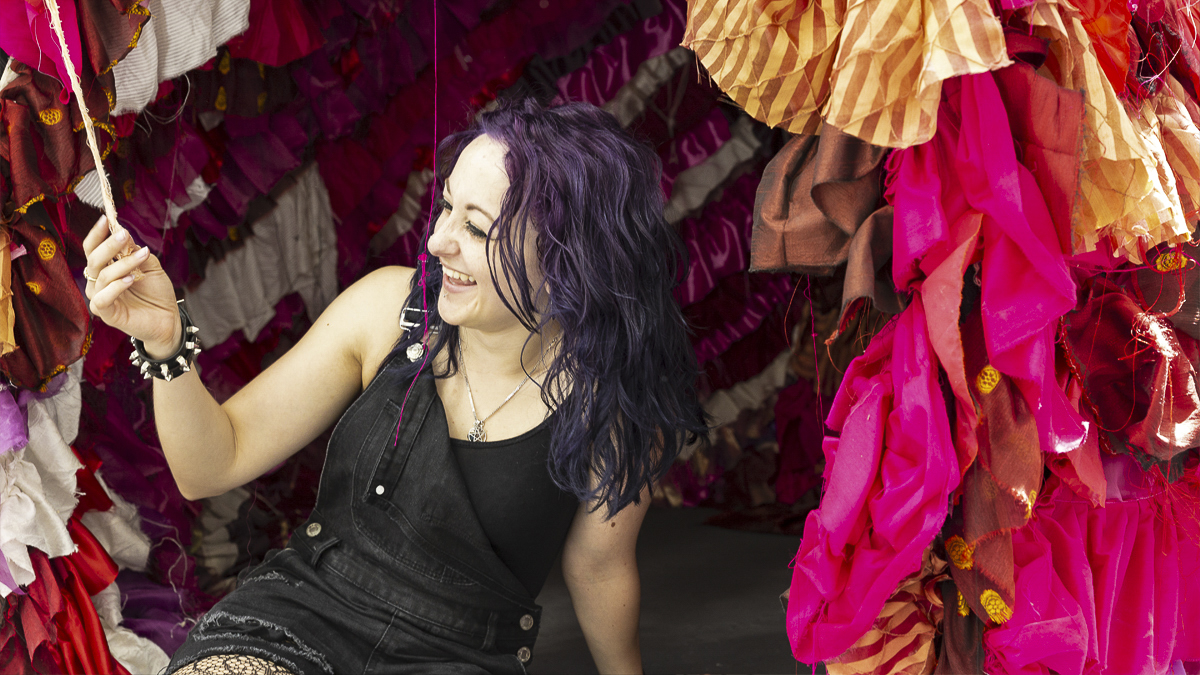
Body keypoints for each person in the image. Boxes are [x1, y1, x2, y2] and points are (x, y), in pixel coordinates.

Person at [82, 98, 706, 675]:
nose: (437, 241)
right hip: (301, 617)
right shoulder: (386, 310)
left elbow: (599, 568)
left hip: (455, 656)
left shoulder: (612, 400)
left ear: (570, 256)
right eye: (446, 206)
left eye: (478, 228)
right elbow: (210, 466)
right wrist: (165, 343)